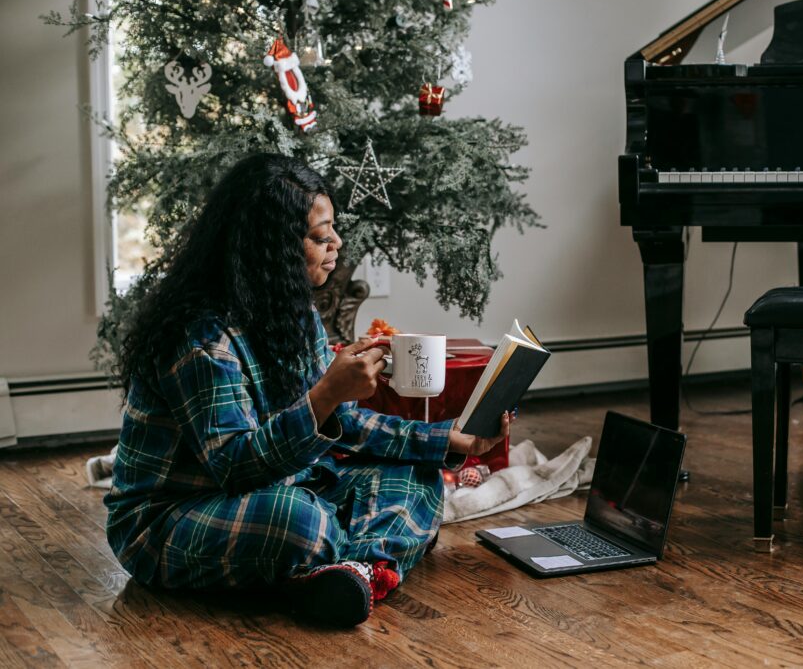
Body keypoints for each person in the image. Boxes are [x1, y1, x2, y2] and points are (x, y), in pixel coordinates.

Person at [105, 153, 507, 627]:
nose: (336, 243)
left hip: (284, 484)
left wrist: (445, 439)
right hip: (169, 519)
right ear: (270, 249)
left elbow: (349, 426)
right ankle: (362, 554)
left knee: (417, 475)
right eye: (320, 236)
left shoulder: (290, 311)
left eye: (332, 229)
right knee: (300, 521)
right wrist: (326, 396)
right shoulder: (200, 338)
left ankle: (351, 571)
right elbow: (235, 465)